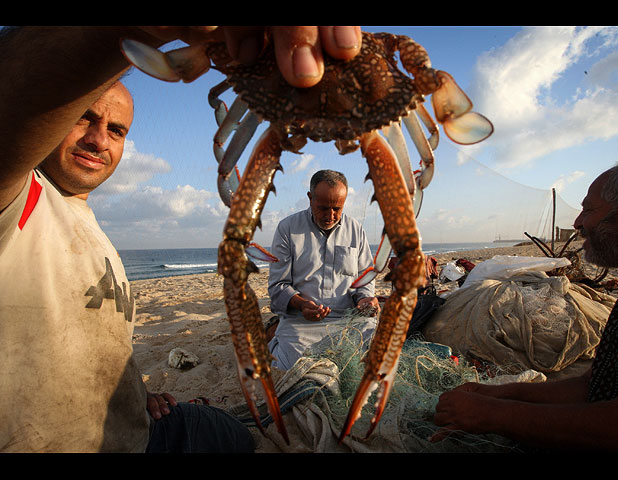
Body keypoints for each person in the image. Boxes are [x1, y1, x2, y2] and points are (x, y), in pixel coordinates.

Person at [0, 26, 362, 453]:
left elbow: (91, 340)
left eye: (116, 130)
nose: (99, 139)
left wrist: (135, 393)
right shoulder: (18, 200)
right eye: (83, 117)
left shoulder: (89, 227)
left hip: (140, 423)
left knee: (234, 435)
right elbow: (19, 95)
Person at [431, 158, 618, 452]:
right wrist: (502, 394)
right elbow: (592, 385)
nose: (578, 223)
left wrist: (489, 414)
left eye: (589, 210)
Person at [267, 170, 380, 370]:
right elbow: (278, 286)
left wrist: (364, 299)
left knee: (376, 355)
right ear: (310, 198)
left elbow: (364, 279)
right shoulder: (288, 229)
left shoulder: (356, 230)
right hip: (301, 324)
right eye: (323, 208)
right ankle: (275, 344)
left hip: (348, 321)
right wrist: (301, 305)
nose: (330, 216)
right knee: (298, 369)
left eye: (337, 208)